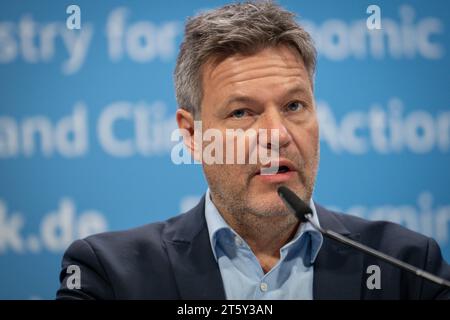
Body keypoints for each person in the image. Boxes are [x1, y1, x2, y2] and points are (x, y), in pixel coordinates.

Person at [56, 1, 450, 299]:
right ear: (192, 135)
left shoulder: (407, 268)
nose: (277, 134)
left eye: (295, 106)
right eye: (242, 112)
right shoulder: (110, 275)